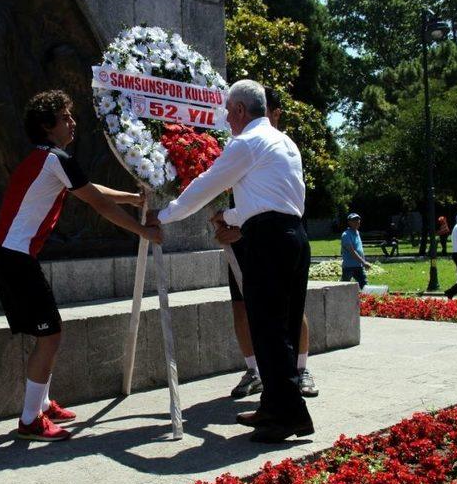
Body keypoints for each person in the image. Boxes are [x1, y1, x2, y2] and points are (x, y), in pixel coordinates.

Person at [0, 90, 161, 442]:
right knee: (50, 335)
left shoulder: (49, 159)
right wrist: (143, 230)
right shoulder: (56, 159)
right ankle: (29, 421)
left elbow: (88, 189)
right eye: (65, 117)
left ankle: (44, 403)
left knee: (46, 332)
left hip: (12, 255)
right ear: (46, 126)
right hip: (14, 258)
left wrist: (131, 197)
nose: (72, 122)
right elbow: (97, 204)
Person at [147, 79, 314, 443]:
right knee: (280, 326)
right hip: (293, 236)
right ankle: (274, 405)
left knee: (268, 329)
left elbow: (207, 184)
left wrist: (164, 216)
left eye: (228, 111)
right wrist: (233, 218)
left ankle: (289, 416)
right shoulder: (283, 141)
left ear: (240, 110)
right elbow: (272, 200)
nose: (226, 118)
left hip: (269, 242)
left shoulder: (247, 142)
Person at [217, 86, 318, 399]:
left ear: (274, 115)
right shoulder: (240, 146)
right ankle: (257, 372)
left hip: (271, 240)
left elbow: (279, 206)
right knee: (243, 308)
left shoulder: (282, 148)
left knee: (286, 311)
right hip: (243, 239)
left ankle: (298, 371)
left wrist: (166, 215)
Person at [341, 213, 371, 289]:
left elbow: (359, 249)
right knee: (344, 287)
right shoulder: (346, 235)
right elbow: (352, 251)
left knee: (365, 286)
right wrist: (363, 262)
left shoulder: (357, 233)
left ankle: (366, 301)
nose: (357, 221)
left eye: (358, 219)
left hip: (358, 266)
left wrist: (362, 262)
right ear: (349, 222)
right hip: (349, 266)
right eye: (354, 220)